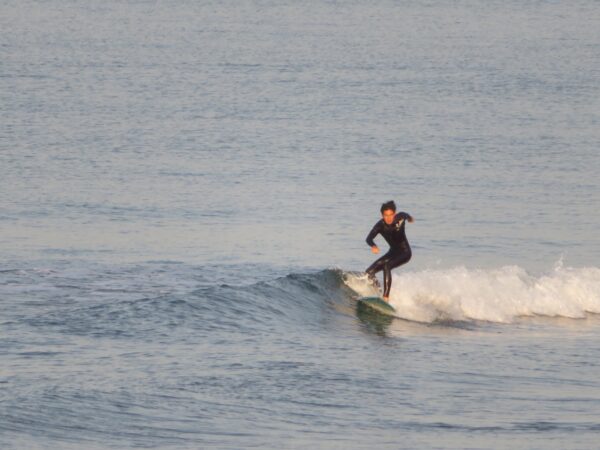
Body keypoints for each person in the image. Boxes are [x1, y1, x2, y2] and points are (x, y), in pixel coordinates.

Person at [365, 200, 414, 302]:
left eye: (391, 215)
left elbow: (405, 214)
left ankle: (386, 298)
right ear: (382, 215)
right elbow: (368, 238)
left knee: (387, 266)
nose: (388, 218)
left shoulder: (399, 218)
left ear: (394, 214)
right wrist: (373, 245)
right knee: (369, 273)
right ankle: (377, 292)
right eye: (386, 215)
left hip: (405, 252)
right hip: (392, 252)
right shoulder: (380, 225)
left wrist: (409, 218)